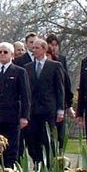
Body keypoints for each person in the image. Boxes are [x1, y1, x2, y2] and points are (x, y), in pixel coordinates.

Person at [22, 36, 65, 165]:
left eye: (37, 48)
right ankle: (37, 162)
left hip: (48, 109)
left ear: (44, 49)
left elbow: (60, 88)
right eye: (33, 47)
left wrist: (61, 109)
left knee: (48, 138)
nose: (34, 50)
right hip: (33, 110)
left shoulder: (55, 66)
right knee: (33, 138)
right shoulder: (28, 67)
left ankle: (50, 165)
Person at [0, 42, 29, 168]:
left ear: (12, 55)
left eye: (5, 52)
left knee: (12, 148)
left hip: (13, 116)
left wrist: (25, 116)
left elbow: (25, 95)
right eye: (0, 52)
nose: (2, 54)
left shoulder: (19, 72)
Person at [45, 33, 75, 151]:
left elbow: (66, 83)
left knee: (60, 134)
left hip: (60, 101)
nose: (53, 47)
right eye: (50, 45)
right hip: (47, 102)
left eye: (55, 45)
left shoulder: (61, 60)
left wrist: (69, 105)